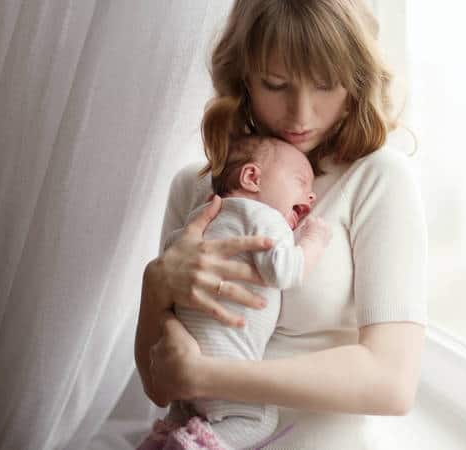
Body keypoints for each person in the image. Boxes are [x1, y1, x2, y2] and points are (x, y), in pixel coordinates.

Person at [134, 0, 428, 447]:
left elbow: (392, 382)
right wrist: (155, 287)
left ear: (355, 83)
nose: (300, 114)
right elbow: (160, 386)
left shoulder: (379, 178)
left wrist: (211, 375)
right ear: (243, 78)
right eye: (276, 84)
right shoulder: (194, 190)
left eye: (325, 86)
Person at [137, 136, 332, 450]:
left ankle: (166, 438)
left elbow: (171, 258)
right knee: (259, 419)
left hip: (183, 354)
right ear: (252, 178)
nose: (310, 194)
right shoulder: (266, 216)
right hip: (224, 363)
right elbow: (284, 270)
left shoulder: (200, 217)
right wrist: (314, 242)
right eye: (300, 181)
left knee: (184, 414)